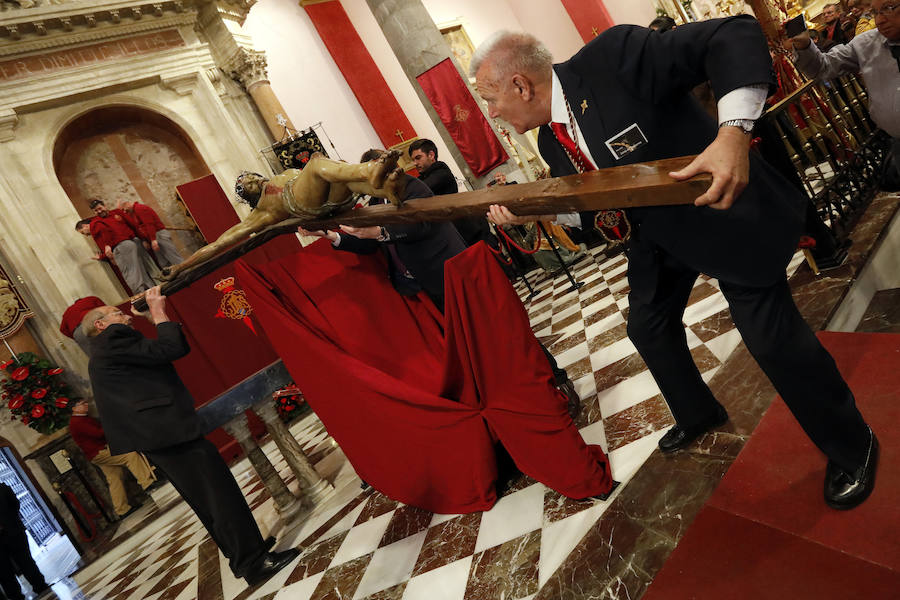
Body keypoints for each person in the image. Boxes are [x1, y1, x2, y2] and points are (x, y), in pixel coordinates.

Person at [471, 19, 877, 510]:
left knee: (772, 339)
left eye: (491, 98)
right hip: (658, 236)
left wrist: (732, 134)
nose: (491, 113)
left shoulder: (613, 59)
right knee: (648, 325)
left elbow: (734, 35)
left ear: (521, 84)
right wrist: (531, 209)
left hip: (719, 213)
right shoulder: (552, 143)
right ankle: (697, 411)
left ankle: (853, 445)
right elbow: (592, 211)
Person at [81, 287, 298, 585]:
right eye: (117, 313)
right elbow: (171, 350)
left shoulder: (108, 347)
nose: (125, 316)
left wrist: (152, 318)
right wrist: (158, 313)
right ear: (100, 324)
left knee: (209, 498)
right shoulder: (111, 340)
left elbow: (157, 354)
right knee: (218, 495)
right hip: (166, 432)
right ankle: (255, 562)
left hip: (159, 434)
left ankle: (246, 554)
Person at [161, 150, 405, 281]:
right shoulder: (260, 212)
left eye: (251, 176)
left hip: (331, 200)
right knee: (316, 163)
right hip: (305, 204)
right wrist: (181, 267)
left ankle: (386, 189)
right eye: (247, 184)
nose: (253, 180)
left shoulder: (279, 176)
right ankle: (371, 171)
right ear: (248, 196)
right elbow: (221, 243)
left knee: (340, 174)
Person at [791, 0, 900, 188]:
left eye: (888, 9)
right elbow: (823, 68)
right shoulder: (866, 44)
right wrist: (803, 44)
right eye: (875, 12)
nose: (880, 20)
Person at [68, 399, 157, 518]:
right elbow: (98, 433)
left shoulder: (83, 418)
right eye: (82, 404)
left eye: (86, 402)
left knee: (114, 478)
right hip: (99, 452)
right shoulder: (77, 422)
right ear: (74, 409)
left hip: (97, 453)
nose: (86, 405)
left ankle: (122, 509)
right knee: (130, 456)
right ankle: (147, 484)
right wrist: (114, 426)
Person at [408, 138, 499, 250]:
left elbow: (421, 189)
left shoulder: (441, 172)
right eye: (413, 160)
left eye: (418, 158)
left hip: (471, 233)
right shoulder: (423, 178)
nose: (415, 163)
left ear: (431, 155)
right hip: (457, 235)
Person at [83, 199, 157, 294]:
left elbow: (133, 225)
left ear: (105, 205)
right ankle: (150, 290)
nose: (99, 211)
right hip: (125, 245)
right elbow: (105, 236)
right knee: (137, 270)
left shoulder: (116, 213)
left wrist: (143, 239)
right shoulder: (97, 221)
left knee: (139, 269)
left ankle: (145, 291)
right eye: (96, 211)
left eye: (100, 208)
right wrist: (107, 250)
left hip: (131, 243)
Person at [0, 482, 49, 600]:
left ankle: (40, 586)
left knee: (25, 561)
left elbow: (15, 505)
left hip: (13, 532)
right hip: (11, 532)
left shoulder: (3, 488)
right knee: (4, 571)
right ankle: (17, 596)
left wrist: (8, 521)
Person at [116, 200, 185, 268]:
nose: (124, 212)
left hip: (158, 235)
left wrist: (153, 239)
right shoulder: (132, 213)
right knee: (163, 262)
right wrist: (145, 240)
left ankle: (188, 273)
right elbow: (140, 228)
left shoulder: (140, 208)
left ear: (127, 204)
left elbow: (149, 224)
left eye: (123, 209)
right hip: (154, 237)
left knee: (173, 257)